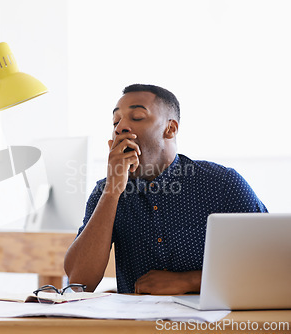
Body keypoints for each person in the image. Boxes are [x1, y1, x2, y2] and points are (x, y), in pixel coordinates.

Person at [64, 84, 267, 295]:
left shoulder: (222, 183)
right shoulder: (105, 192)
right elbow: (80, 281)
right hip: (135, 325)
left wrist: (190, 281)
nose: (120, 127)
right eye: (116, 121)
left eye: (137, 117)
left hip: (209, 322)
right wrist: (112, 191)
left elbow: (270, 262)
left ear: (170, 128)